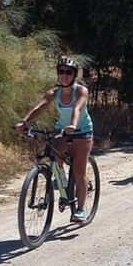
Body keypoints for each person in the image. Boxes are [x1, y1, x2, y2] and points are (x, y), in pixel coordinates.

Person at [15, 57, 94, 223]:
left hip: (82, 132)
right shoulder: (53, 93)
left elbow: (77, 108)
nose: (64, 75)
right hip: (62, 130)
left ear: (74, 75)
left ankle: (80, 210)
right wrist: (24, 122)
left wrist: (73, 124)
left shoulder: (81, 91)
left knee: (79, 171)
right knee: (54, 152)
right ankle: (62, 181)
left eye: (68, 72)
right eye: (61, 71)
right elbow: (40, 107)